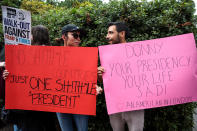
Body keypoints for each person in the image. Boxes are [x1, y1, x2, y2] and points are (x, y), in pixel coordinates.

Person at [3, 25, 58, 131]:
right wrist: (8, 74)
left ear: (33, 36)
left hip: (30, 105)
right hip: (46, 103)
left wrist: (8, 75)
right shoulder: (55, 53)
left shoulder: (25, 53)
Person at [98, 22, 144, 131]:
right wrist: (99, 75)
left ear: (122, 33)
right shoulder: (107, 56)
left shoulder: (137, 52)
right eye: (107, 33)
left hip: (135, 105)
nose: (107, 36)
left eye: (110, 33)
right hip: (115, 104)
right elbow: (105, 80)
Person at [56, 24, 102, 131]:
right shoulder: (54, 55)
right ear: (64, 37)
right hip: (60, 101)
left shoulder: (85, 56)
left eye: (79, 36)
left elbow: (88, 77)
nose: (78, 39)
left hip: (81, 101)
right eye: (75, 35)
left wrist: (94, 86)